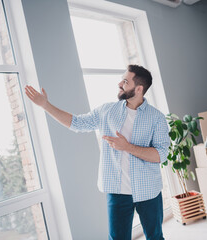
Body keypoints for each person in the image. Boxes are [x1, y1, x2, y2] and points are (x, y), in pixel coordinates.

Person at [25, 65, 169, 240]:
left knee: (155, 237)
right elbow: (76, 123)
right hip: (117, 191)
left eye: (125, 81)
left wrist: (127, 147)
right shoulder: (107, 111)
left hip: (148, 191)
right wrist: (45, 105)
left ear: (139, 89)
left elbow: (161, 155)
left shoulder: (157, 118)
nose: (119, 84)